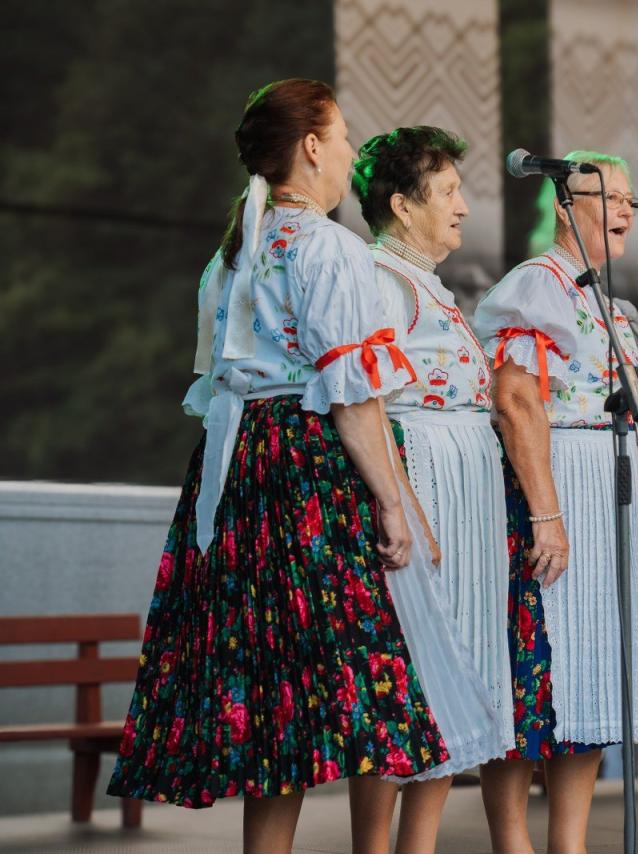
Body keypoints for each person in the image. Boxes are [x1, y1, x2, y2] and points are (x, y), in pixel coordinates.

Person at [107, 79, 450, 853]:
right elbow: (352, 395)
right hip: (305, 465)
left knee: (271, 687)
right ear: (313, 146)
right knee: (366, 672)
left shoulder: (237, 249)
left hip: (237, 467)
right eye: (345, 134)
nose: (352, 151)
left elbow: (218, 378)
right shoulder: (326, 246)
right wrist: (393, 503)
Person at [471, 151, 638, 854]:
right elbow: (516, 399)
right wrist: (546, 514)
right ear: (565, 206)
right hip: (555, 484)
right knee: (533, 668)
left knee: (589, 673)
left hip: (606, 487)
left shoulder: (599, 298)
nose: (625, 210)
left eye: (630, 200)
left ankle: (570, 844)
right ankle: (513, 843)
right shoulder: (538, 283)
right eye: (609, 196)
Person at [350, 125, 514, 852]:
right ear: (401, 204)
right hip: (424, 473)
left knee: (457, 672)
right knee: (410, 671)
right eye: (447, 192)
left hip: (463, 480)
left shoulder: (426, 283)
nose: (463, 207)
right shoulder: (379, 279)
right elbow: (369, 402)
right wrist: (409, 509)